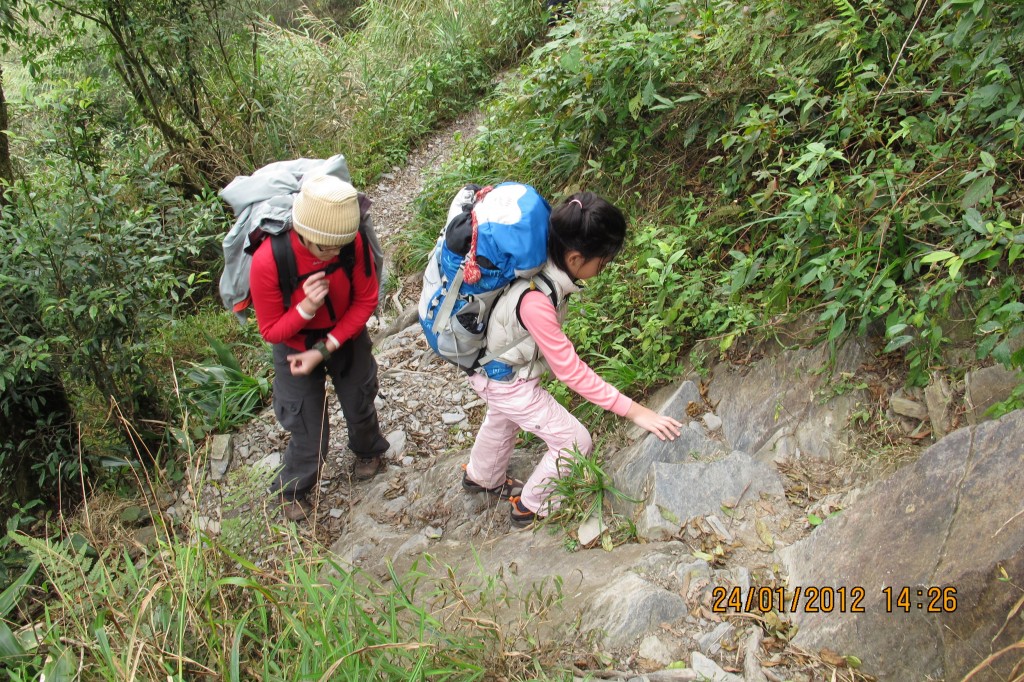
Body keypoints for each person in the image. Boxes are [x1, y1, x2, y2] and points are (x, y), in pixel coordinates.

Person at [461, 191, 683, 526]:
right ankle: (532, 505)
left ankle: (482, 476)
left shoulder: (541, 264)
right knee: (574, 441)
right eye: (603, 262)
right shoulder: (535, 300)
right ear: (577, 259)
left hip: (493, 371)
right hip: (504, 380)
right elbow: (571, 372)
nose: (604, 268)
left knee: (502, 416)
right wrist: (636, 412)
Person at [250, 174, 390, 522]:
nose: (335, 254)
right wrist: (304, 310)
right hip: (294, 347)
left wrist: (324, 349)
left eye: (339, 246)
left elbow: (365, 300)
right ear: (302, 233)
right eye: (325, 248)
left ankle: (368, 450)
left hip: (344, 335)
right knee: (308, 426)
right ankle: (293, 488)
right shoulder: (269, 260)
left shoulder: (351, 241)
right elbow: (270, 329)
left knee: (359, 399)